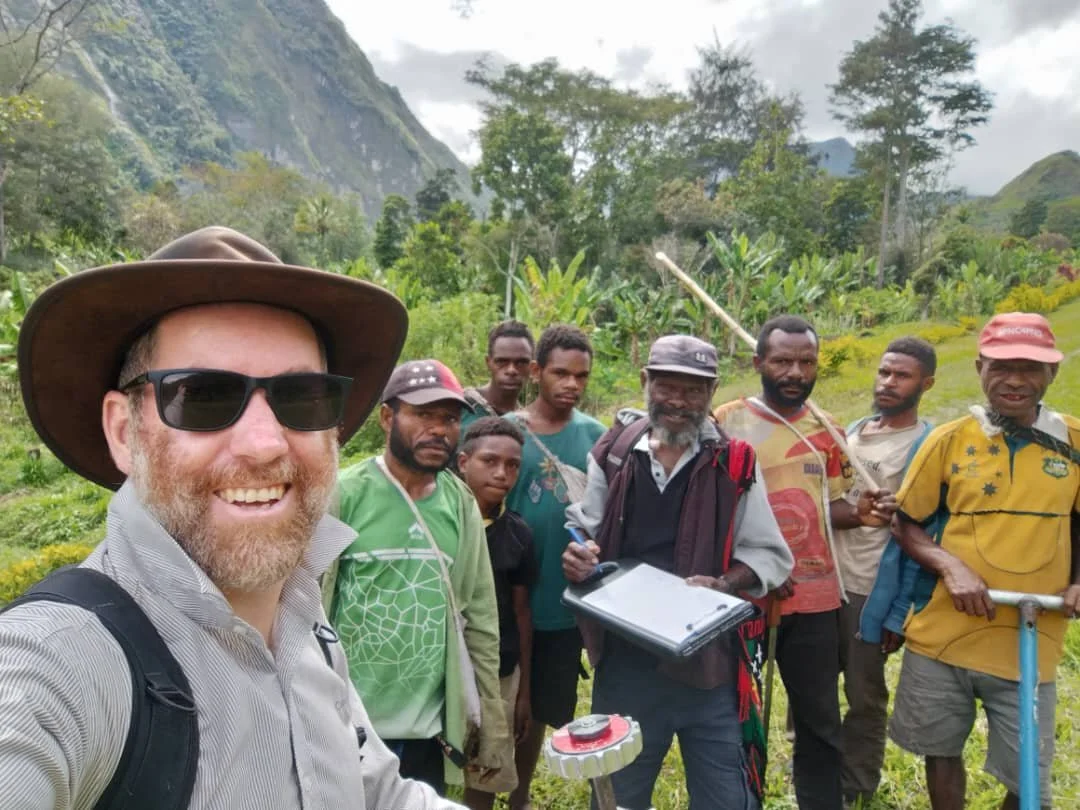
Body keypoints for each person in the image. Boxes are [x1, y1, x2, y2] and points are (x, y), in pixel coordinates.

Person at [0, 226, 465, 809]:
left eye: (303, 396)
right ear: (124, 431)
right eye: (203, 396)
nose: (265, 444)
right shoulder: (58, 666)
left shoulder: (304, 618)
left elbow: (379, 795)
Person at [562, 335, 794, 810]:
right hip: (626, 662)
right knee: (619, 795)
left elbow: (770, 555)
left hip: (708, 665)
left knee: (726, 799)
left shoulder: (734, 462)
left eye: (693, 390)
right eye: (667, 387)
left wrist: (723, 585)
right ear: (645, 382)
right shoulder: (616, 451)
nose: (679, 402)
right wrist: (580, 554)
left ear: (712, 392)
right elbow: (586, 527)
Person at [888, 312, 1080, 810]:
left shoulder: (1074, 442)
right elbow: (906, 523)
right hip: (944, 635)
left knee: (1028, 773)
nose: (1015, 380)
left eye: (1030, 368)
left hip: (1030, 639)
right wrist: (950, 566)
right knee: (939, 749)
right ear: (979, 368)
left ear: (1052, 373)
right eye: (1001, 366)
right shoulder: (948, 440)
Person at [713, 314, 894, 810]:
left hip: (814, 600)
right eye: (783, 361)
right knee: (731, 716)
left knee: (819, 721)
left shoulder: (827, 428)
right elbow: (711, 509)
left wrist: (861, 513)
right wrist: (750, 572)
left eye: (806, 362)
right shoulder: (726, 422)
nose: (795, 372)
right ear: (758, 363)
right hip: (745, 599)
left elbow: (828, 508)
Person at [324, 359, 509, 795]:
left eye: (449, 419)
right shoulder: (344, 495)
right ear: (388, 417)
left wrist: (488, 721)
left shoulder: (460, 505)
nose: (439, 429)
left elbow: (480, 619)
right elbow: (303, 604)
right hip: (348, 725)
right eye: (423, 415)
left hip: (429, 733)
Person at [504, 324, 606, 810]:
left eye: (581, 376)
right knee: (500, 699)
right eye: (560, 373)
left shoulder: (596, 437)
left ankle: (519, 796)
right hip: (506, 594)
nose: (571, 384)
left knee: (539, 707)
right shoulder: (508, 432)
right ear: (536, 371)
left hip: (561, 602)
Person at [832, 337, 937, 806]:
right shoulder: (855, 430)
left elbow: (924, 534)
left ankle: (856, 787)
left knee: (864, 696)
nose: (888, 382)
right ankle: (812, 769)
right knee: (812, 685)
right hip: (826, 582)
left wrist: (899, 612)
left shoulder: (925, 446)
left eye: (902, 376)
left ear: (926, 384)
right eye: (884, 372)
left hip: (867, 591)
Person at [456, 417, 539, 810]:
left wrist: (523, 691)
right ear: (463, 462)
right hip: (442, 668)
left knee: (485, 768)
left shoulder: (518, 533)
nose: (502, 473)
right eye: (489, 461)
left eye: (512, 465)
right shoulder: (440, 522)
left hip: (497, 668)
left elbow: (522, 613)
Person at [462, 320, 536, 430]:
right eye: (502, 362)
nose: (511, 370)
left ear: (532, 367)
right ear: (488, 362)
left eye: (521, 362)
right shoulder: (461, 407)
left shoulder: (528, 425)